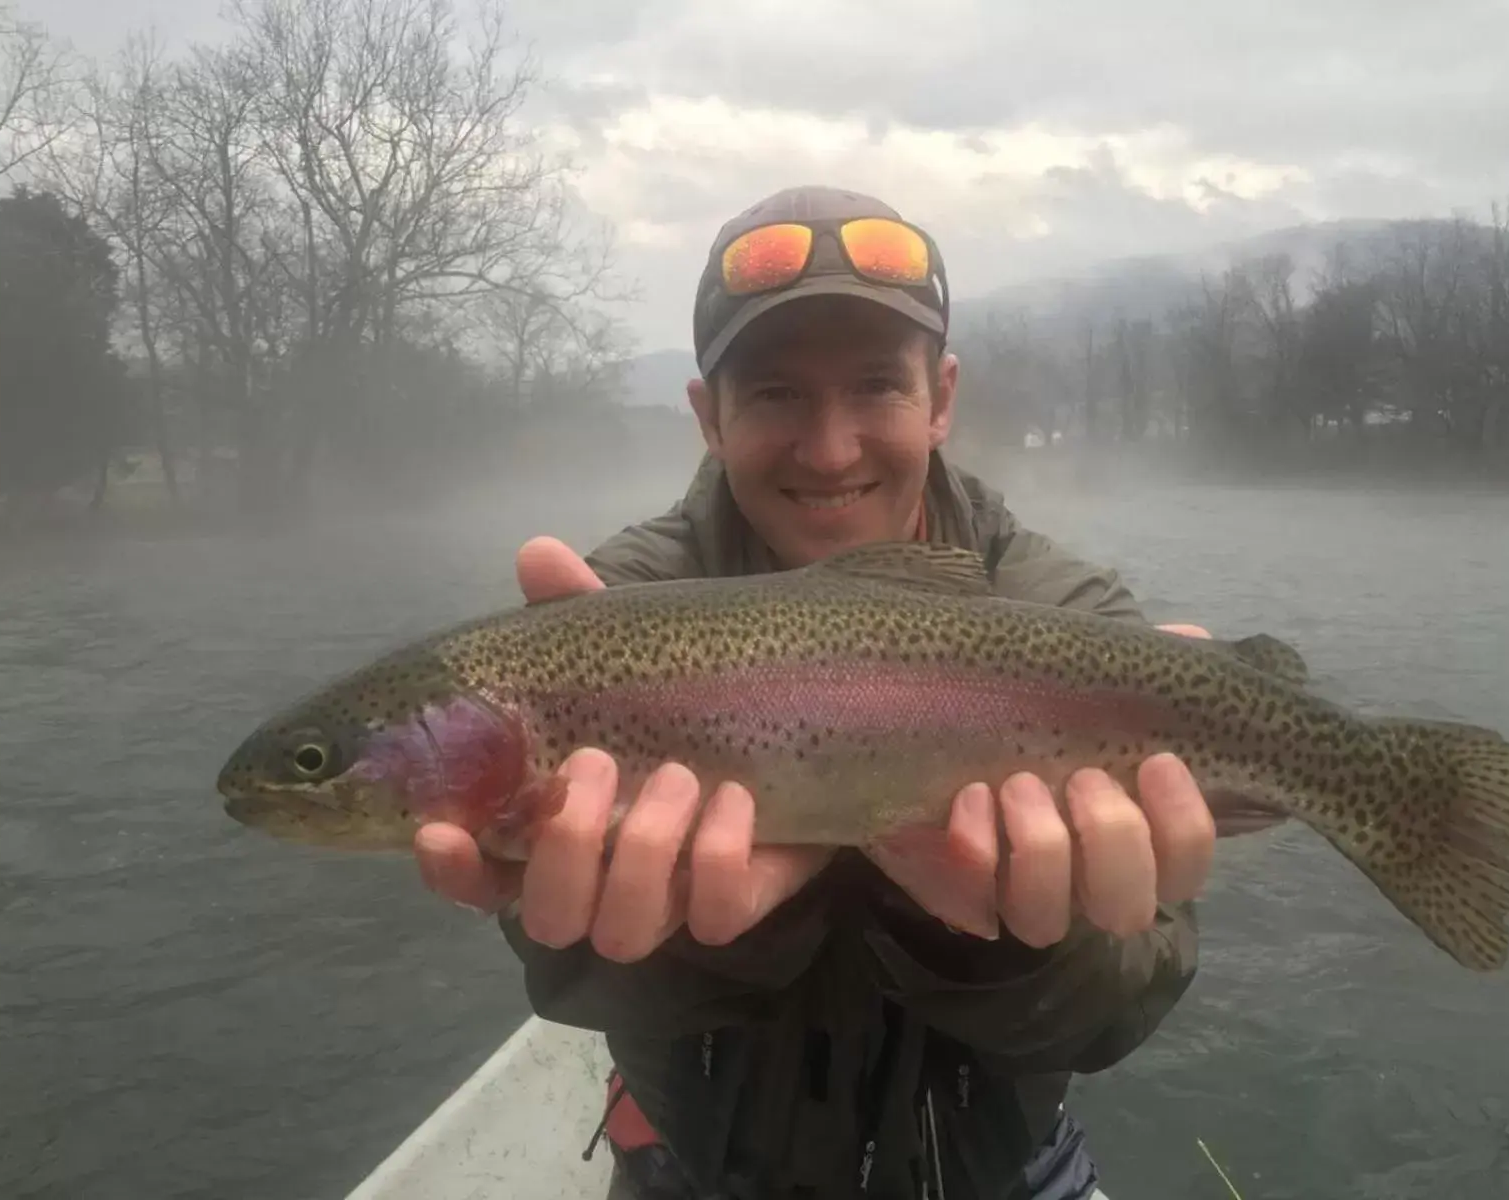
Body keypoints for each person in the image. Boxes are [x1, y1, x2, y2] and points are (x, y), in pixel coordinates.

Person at [414, 185, 1228, 1199]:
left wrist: (1003, 940)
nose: (831, 448)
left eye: (877, 388)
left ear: (940, 399)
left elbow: (1130, 996)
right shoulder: (605, 615)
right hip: (705, 1174)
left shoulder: (1061, 616)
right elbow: (564, 970)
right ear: (709, 417)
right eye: (776, 395)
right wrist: (709, 934)